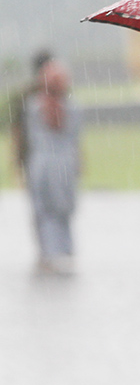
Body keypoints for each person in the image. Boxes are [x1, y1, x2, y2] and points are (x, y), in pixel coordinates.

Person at [21, 51, 80, 274]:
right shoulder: (68, 106)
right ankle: (60, 250)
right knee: (57, 209)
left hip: (46, 163)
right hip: (59, 162)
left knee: (49, 210)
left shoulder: (37, 105)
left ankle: (53, 252)